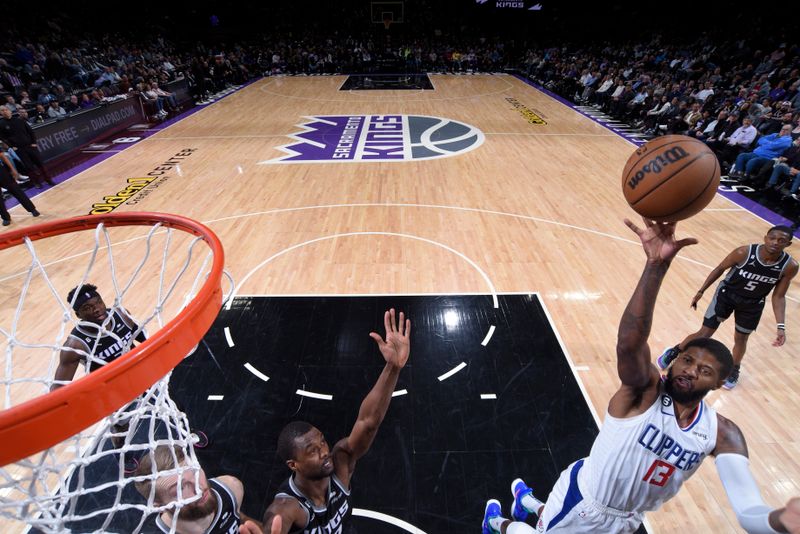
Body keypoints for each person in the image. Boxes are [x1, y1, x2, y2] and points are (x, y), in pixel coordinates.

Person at [482, 218, 800, 534]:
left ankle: (528, 502)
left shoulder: (722, 433)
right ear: (673, 361)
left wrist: (782, 521)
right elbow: (629, 343)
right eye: (686, 360)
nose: (690, 369)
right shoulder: (644, 392)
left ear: (718, 383)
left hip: (629, 520)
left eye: (704, 370)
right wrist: (656, 267)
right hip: (583, 502)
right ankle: (496, 522)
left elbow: (749, 513)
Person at [254, 308, 410, 534]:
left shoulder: (340, 464)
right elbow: (273, 524)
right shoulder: (289, 507)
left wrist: (393, 368)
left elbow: (368, 422)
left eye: (322, 442)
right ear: (293, 465)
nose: (324, 451)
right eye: (311, 450)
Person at [657, 226, 797, 389]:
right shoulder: (743, 253)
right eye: (772, 238)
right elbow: (720, 269)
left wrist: (781, 326)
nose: (775, 243)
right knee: (705, 333)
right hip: (726, 296)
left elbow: (778, 296)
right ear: (765, 238)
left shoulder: (789, 266)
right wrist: (701, 291)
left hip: (752, 303)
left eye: (781, 241)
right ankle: (675, 350)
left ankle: (734, 368)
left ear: (788, 244)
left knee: (741, 339)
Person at [134, 444, 259, 533]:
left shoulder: (231, 488)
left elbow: (239, 516)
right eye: (180, 488)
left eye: (195, 472)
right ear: (159, 505)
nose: (198, 488)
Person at [51, 283, 147, 389]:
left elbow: (146, 342)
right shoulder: (76, 345)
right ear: (78, 315)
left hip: (142, 376)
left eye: (98, 302)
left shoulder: (122, 315)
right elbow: (57, 389)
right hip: (113, 391)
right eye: (88, 308)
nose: (97, 309)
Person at [0, 105, 54, 188]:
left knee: (40, 163)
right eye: (2, 110)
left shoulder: (19, 120)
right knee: (29, 167)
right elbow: (3, 138)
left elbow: (31, 131)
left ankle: (48, 179)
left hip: (30, 146)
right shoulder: (1, 124)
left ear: (10, 111)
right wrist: (11, 146)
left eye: (6, 109)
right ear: (0, 113)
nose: (5, 111)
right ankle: (36, 182)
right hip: (19, 149)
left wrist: (34, 142)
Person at [0, 150, 39, 226]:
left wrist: (12, 169)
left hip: (1, 172)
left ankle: (32, 209)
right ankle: (5, 218)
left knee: (16, 190)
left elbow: (2, 156)